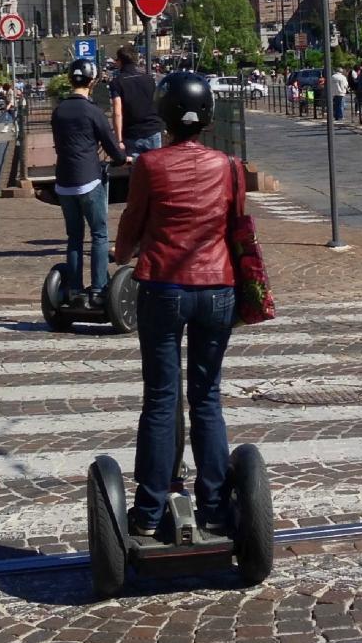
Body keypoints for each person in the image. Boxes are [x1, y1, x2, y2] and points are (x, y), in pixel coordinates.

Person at [110, 70, 243, 538]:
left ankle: (148, 511)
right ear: (207, 116)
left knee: (162, 398)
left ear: (163, 115)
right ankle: (214, 506)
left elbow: (133, 220)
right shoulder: (228, 166)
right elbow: (237, 225)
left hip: (164, 286)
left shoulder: (150, 165)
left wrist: (121, 254)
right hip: (218, 288)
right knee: (207, 398)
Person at [52, 57, 125, 308]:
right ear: (92, 82)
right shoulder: (93, 111)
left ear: (70, 79)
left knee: (74, 236)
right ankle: (98, 289)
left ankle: (73, 290)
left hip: (63, 181)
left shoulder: (59, 110)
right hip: (89, 180)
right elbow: (111, 146)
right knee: (99, 234)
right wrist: (122, 158)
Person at [110, 45, 165, 156]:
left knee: (135, 166)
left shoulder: (117, 82)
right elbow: (158, 103)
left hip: (132, 134)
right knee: (155, 165)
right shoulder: (149, 79)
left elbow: (117, 112)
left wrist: (119, 140)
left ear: (120, 61)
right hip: (153, 129)